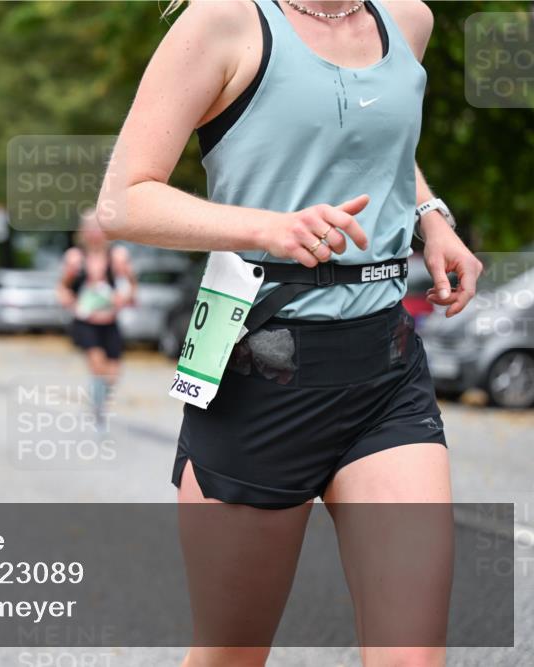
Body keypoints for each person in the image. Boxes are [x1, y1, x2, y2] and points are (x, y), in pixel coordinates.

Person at [97, 1, 483, 664]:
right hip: (261, 367)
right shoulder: (223, 23)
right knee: (232, 654)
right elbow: (124, 200)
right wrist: (265, 228)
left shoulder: (407, 20)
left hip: (384, 371)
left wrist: (433, 218)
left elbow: (377, 141)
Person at [57, 209, 136, 423]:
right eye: (90, 228)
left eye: (99, 228)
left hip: (110, 321)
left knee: (113, 373)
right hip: (86, 322)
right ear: (83, 232)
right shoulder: (75, 258)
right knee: (97, 364)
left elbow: (131, 288)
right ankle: (98, 408)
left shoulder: (118, 257)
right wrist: (72, 303)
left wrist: (125, 296)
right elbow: (62, 289)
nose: (95, 233)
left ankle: (97, 400)